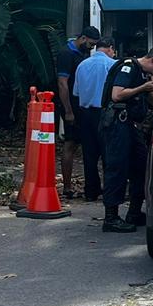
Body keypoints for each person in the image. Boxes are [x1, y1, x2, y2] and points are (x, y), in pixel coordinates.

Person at [98, 45, 153, 233]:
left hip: (130, 126)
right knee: (117, 167)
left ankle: (134, 212)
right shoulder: (129, 67)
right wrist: (143, 87)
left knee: (142, 166)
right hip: (117, 124)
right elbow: (116, 95)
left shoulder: (142, 74)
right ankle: (111, 217)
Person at [55, 25, 99, 199]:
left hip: (83, 105)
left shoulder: (83, 54)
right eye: (90, 44)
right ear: (82, 38)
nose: (92, 47)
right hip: (71, 105)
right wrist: (68, 111)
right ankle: (66, 187)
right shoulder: (66, 53)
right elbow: (62, 83)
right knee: (70, 143)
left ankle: (91, 186)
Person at [72, 37, 117, 201]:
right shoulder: (111, 65)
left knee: (89, 155)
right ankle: (110, 191)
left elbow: (76, 92)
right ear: (110, 48)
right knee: (108, 154)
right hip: (104, 113)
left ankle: (91, 190)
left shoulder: (82, 65)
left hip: (85, 113)